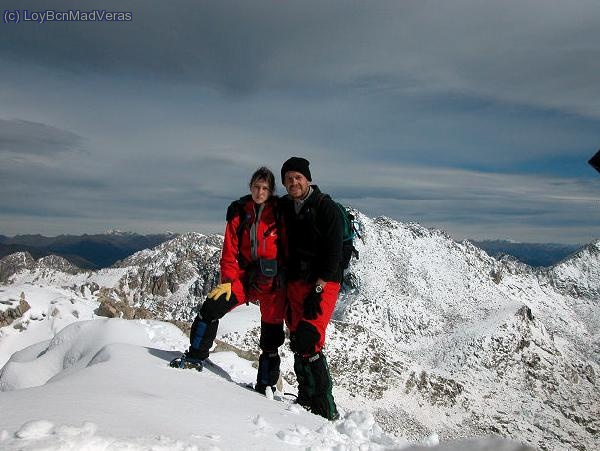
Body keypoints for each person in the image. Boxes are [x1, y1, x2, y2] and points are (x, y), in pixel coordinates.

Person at [171, 167, 286, 395]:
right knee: (211, 307)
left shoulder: (282, 213)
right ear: (250, 187)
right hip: (244, 278)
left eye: (265, 188)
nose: (260, 191)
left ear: (271, 191)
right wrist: (229, 281)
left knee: (271, 338)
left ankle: (266, 385)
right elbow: (229, 251)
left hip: (272, 283)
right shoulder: (239, 212)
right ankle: (196, 356)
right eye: (256, 187)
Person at [279, 157, 343, 420]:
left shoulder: (326, 208)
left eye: (298, 177)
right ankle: (306, 396)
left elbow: (334, 252)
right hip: (295, 281)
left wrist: (319, 287)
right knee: (297, 340)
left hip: (322, 282)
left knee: (310, 339)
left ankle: (325, 407)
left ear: (308, 179)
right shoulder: (285, 206)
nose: (293, 182)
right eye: (288, 178)